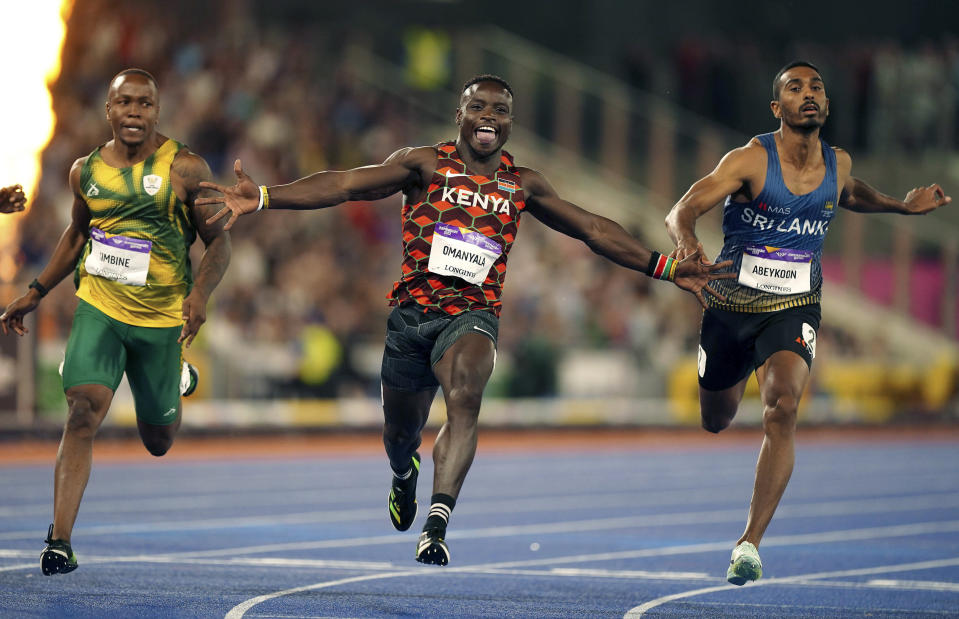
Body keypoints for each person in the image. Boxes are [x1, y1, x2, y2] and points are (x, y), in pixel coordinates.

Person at [198, 74, 733, 566]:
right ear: (459, 113)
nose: (488, 116)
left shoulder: (523, 184)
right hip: (411, 318)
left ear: (509, 122)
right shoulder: (423, 164)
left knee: (466, 395)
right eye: (478, 105)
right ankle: (404, 473)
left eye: (500, 109)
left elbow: (592, 227)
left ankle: (438, 520)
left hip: (472, 315)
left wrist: (664, 267)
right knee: (400, 435)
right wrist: (266, 196)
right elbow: (345, 184)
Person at [665, 61, 951, 586]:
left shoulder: (837, 162)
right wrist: (685, 239)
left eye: (816, 86)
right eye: (795, 88)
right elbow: (683, 207)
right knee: (716, 420)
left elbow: (850, 190)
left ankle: (748, 543)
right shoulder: (750, 159)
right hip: (730, 305)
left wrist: (900, 207)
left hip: (796, 305)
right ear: (778, 108)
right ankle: (726, 385)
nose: (808, 94)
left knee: (783, 406)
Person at [0, 68, 232, 575]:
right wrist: (36, 292)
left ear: (156, 111)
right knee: (83, 409)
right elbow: (77, 235)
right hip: (100, 307)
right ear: (108, 110)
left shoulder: (186, 168)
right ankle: (59, 540)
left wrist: (200, 293)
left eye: (144, 104)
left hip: (161, 320)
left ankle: (174, 376)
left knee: (158, 441)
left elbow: (219, 244)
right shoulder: (83, 171)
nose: (133, 112)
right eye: (123, 102)